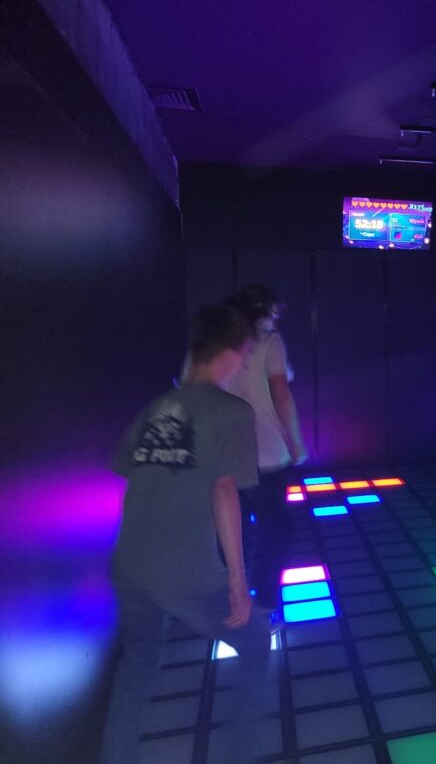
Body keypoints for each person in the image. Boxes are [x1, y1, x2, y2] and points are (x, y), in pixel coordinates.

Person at [100, 304, 270, 764]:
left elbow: (127, 470)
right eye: (245, 354)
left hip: (129, 567)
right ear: (229, 354)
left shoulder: (156, 407)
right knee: (257, 641)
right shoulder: (232, 412)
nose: (244, 364)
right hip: (188, 575)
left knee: (136, 667)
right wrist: (238, 584)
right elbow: (224, 490)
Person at [224, 284, 308, 611]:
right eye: (273, 311)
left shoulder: (217, 341)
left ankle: (231, 595)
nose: (276, 318)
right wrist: (295, 444)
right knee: (278, 530)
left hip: (225, 452)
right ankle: (266, 600)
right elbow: (281, 396)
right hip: (266, 451)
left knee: (233, 528)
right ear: (261, 311)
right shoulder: (270, 342)